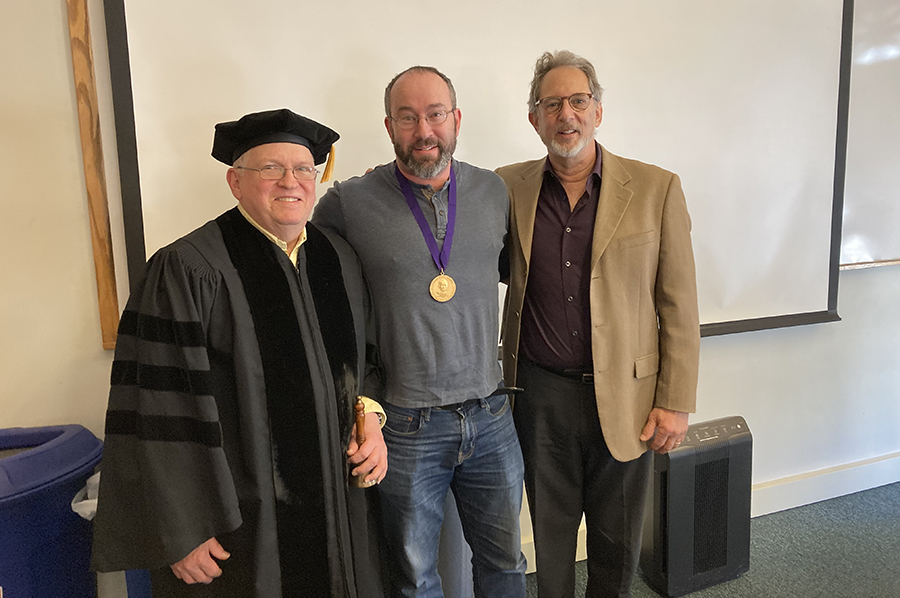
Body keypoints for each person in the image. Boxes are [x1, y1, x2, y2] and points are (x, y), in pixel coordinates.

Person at [91, 108, 388, 597]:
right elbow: (159, 411)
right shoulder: (187, 269)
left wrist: (371, 420)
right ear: (235, 181)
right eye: (270, 168)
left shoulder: (339, 259)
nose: (290, 181)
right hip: (241, 524)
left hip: (340, 510)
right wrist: (180, 530)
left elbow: (368, 360)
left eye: (303, 169)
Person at [312, 66, 527, 598]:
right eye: (408, 117)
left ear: (456, 119)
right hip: (406, 425)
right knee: (413, 577)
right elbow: (323, 297)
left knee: (506, 563)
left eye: (435, 115)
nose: (424, 130)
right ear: (389, 127)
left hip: (491, 415)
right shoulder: (347, 203)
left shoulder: (495, 191)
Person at [496, 51, 701, 598]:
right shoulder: (503, 189)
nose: (567, 114)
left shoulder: (657, 188)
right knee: (551, 541)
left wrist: (675, 398)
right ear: (534, 119)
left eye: (578, 100)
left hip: (628, 398)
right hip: (537, 395)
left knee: (616, 543)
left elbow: (678, 303)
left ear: (599, 110)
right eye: (552, 103)